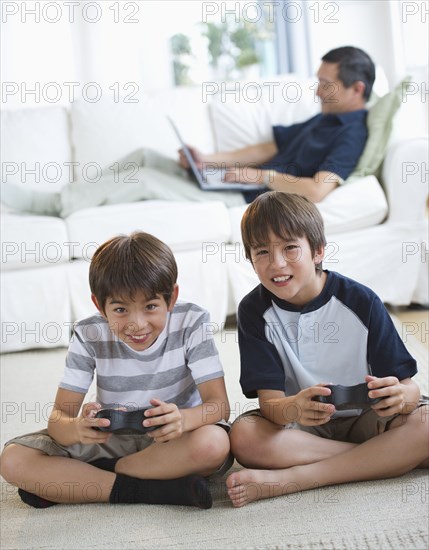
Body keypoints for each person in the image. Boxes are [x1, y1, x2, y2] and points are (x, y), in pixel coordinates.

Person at [225, 191, 428, 508]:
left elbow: (409, 388)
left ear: (318, 251)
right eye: (262, 252)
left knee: (426, 421)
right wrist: (293, 408)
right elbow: (271, 405)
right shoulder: (253, 312)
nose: (277, 263)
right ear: (250, 259)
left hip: (369, 420)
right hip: (307, 430)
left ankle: (296, 480)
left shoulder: (361, 301)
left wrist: (403, 397)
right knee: (244, 436)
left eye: (290, 248)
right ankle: (387, 458)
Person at [0, 231, 232, 509]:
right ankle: (152, 489)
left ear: (171, 299)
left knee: (213, 444)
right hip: (112, 438)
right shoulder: (89, 334)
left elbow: (219, 407)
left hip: (173, 440)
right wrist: (77, 429)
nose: (137, 324)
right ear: (99, 305)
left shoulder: (192, 322)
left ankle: (89, 481)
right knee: (14, 459)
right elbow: (59, 420)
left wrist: (183, 418)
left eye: (150, 306)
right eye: (121, 309)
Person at [2, 46, 375, 217]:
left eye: (326, 84)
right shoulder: (322, 118)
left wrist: (260, 177)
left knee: (144, 179)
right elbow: (266, 146)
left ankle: (53, 206)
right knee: (145, 156)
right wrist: (206, 159)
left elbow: (318, 190)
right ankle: (66, 196)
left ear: (357, 89)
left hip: (247, 198)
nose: (316, 90)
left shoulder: (351, 134)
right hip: (236, 181)